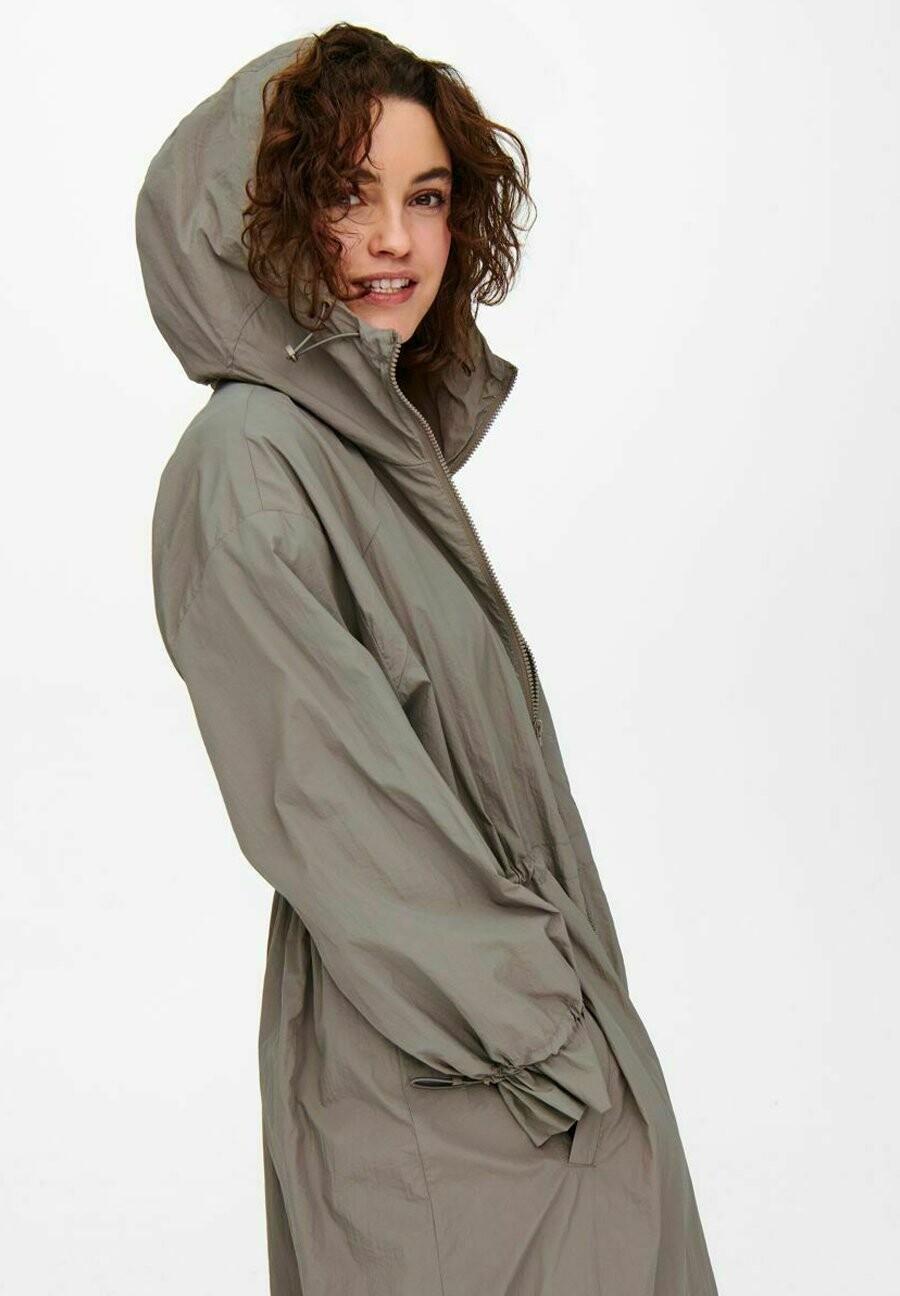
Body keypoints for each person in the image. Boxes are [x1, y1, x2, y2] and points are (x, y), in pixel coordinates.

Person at [135, 22, 720, 1296]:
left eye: (430, 197)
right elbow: (327, 802)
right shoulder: (250, 463)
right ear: (267, 214)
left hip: (505, 1077)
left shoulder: (366, 463)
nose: (396, 239)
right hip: (461, 1092)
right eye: (349, 194)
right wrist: (545, 1033)